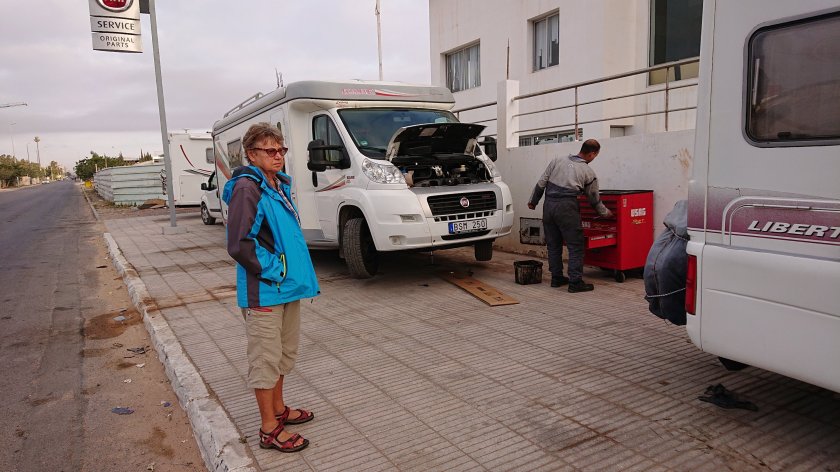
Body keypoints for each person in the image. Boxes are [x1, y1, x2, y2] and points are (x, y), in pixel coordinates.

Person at [222, 122, 320, 453]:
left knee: (283, 354)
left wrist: (290, 276)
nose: (278, 156)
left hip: (287, 288)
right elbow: (240, 243)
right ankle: (268, 429)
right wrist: (278, 271)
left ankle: (279, 410)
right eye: (270, 150)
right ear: (251, 154)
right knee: (265, 359)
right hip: (265, 289)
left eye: (281, 150)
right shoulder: (247, 188)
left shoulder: (276, 184)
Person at [527, 139, 613, 293]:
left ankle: (556, 278)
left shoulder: (557, 160)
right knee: (576, 246)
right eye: (595, 155)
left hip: (549, 206)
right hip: (567, 207)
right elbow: (593, 198)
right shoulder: (588, 172)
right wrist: (605, 213)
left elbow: (541, 183)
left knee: (553, 245)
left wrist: (533, 201)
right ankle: (575, 282)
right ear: (592, 154)